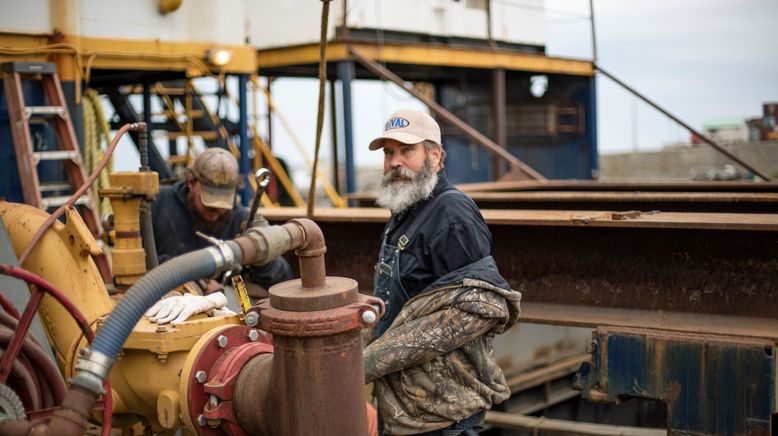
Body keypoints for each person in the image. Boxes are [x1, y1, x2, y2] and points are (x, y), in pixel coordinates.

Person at [363, 109, 522, 435]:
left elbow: (480, 309)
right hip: (407, 410)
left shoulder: (452, 214)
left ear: (435, 155)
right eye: (389, 152)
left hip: (443, 413)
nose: (395, 162)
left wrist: (368, 361)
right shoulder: (406, 209)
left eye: (406, 150)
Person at [146, 147, 292, 323]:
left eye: (222, 206)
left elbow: (282, 278)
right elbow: (138, 262)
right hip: (159, 307)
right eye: (210, 205)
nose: (216, 213)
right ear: (191, 182)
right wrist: (197, 281)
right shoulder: (156, 204)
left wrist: (255, 255)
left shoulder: (240, 218)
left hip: (218, 313)